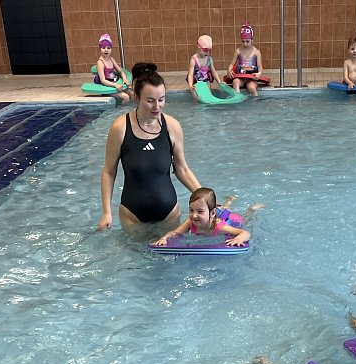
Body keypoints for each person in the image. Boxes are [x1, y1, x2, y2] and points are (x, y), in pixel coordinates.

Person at [98, 62, 202, 231]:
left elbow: (182, 169)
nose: (157, 106)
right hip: (132, 216)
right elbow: (109, 171)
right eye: (150, 101)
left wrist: (205, 198)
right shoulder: (120, 127)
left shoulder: (172, 126)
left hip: (169, 214)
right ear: (137, 98)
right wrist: (106, 212)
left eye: (161, 100)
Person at [151, 187, 252, 247]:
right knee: (223, 209)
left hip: (228, 220)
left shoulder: (220, 227)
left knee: (244, 219)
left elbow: (245, 233)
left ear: (212, 213)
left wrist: (239, 239)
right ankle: (229, 200)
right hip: (211, 214)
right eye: (191, 210)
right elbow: (175, 233)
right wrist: (164, 238)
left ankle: (251, 209)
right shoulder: (190, 222)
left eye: (199, 211)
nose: (194, 215)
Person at [228, 23, 264, 96]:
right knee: (235, 82)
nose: (245, 44)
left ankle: (256, 100)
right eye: (243, 41)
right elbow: (232, 64)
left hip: (251, 78)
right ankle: (238, 98)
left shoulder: (256, 52)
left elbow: (260, 67)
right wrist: (229, 71)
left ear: (252, 40)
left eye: (247, 41)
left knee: (251, 87)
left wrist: (259, 73)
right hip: (240, 77)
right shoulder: (238, 51)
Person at [94, 33, 130, 102]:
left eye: (108, 48)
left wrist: (125, 79)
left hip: (114, 82)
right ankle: (122, 109)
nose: (106, 50)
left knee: (132, 93)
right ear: (100, 49)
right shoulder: (100, 63)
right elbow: (103, 80)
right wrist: (115, 85)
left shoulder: (111, 59)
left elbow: (120, 71)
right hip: (107, 87)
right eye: (103, 48)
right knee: (125, 97)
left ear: (111, 49)